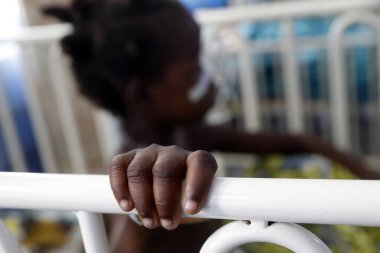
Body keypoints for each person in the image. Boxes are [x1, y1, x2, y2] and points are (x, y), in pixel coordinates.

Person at [44, 0, 380, 252]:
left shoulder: (187, 133)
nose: (210, 74)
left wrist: (370, 185)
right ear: (143, 95)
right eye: (194, 69)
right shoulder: (139, 183)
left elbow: (299, 141)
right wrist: (141, 210)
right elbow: (124, 239)